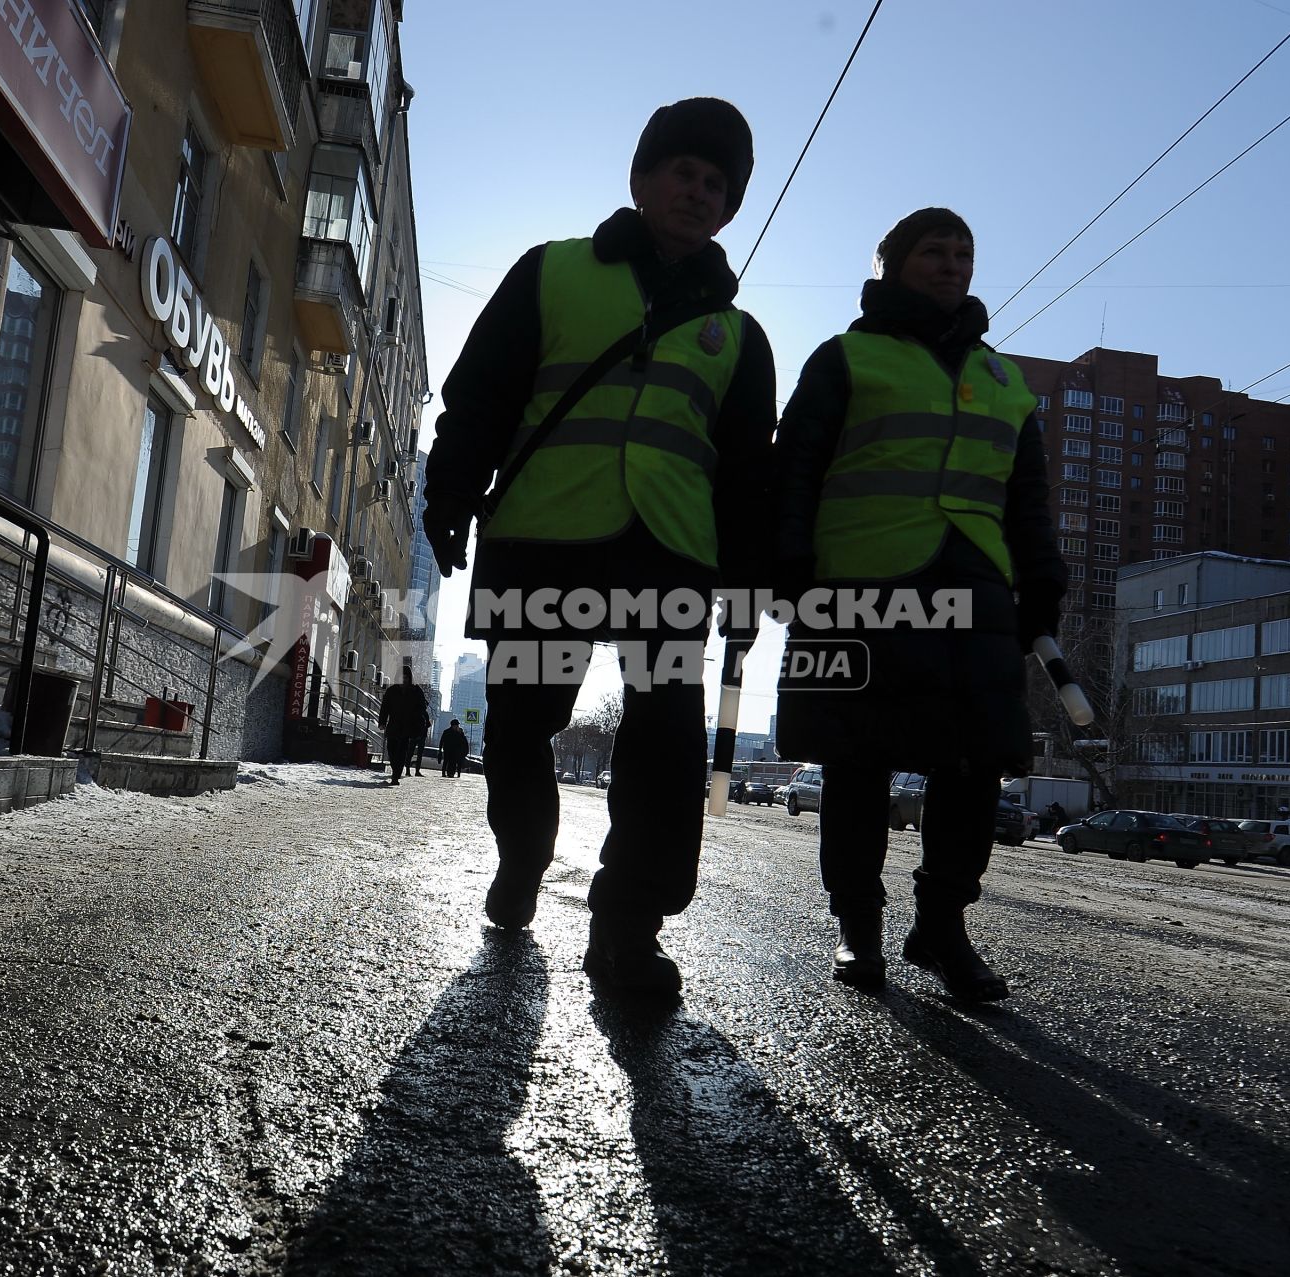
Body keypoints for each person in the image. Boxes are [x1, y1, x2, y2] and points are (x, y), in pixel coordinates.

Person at [422, 98, 776, 995]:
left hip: (672, 554)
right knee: (518, 723)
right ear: (642, 180)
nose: (699, 193)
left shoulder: (740, 337)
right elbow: (483, 391)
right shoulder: (552, 273)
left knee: (664, 737)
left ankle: (629, 924)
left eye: (717, 185)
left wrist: (749, 587)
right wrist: (452, 491)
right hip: (544, 537)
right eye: (684, 173)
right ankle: (524, 856)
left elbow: (746, 477)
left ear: (729, 209)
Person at [772, 207, 1067, 1000]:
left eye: (964, 253)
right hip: (857, 585)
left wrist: (1042, 584)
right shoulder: (845, 359)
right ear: (893, 265)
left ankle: (941, 927)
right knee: (856, 761)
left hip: (973, 592)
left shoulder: (1005, 382)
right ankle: (857, 929)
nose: (952, 265)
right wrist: (788, 561)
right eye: (933, 252)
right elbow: (794, 465)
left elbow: (1027, 503)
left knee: (975, 763)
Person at [378, 667, 431, 786]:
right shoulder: (392, 691)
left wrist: (416, 717)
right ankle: (394, 769)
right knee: (391, 749)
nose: (404, 680)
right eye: (402, 677)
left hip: (407, 727)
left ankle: (395, 776)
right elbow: (384, 707)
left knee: (402, 752)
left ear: (410, 678)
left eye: (406, 678)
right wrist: (382, 721)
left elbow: (422, 706)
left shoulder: (416, 691)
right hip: (393, 725)